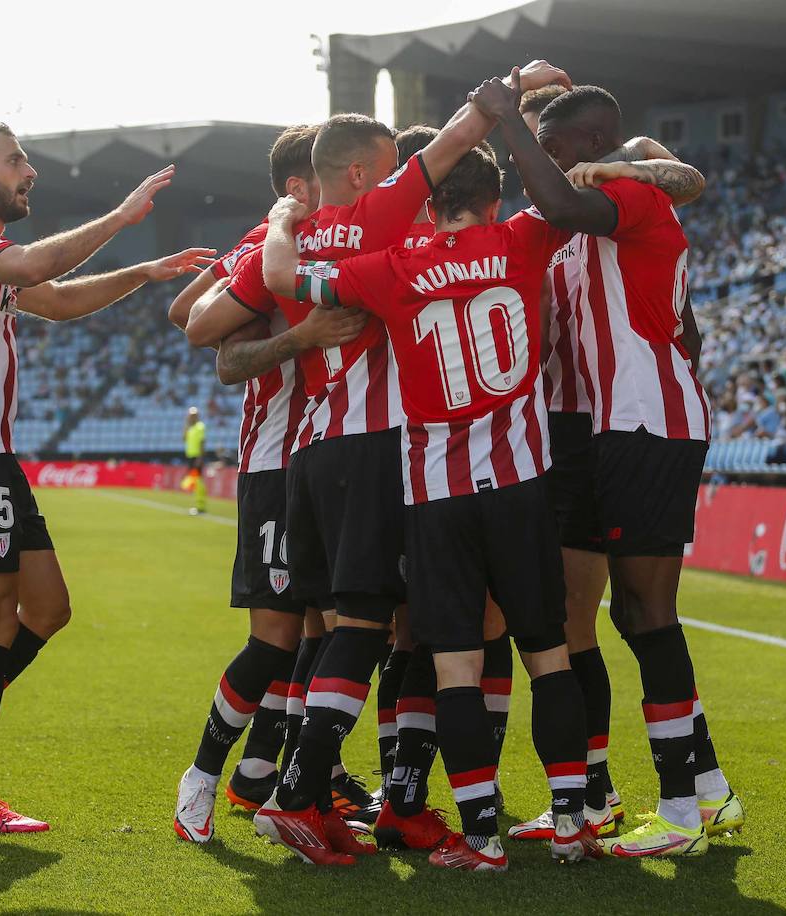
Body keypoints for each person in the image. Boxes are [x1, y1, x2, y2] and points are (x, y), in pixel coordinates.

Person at [191, 61, 574, 867]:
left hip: (310, 450)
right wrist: (515, 87)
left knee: (344, 626)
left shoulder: (294, 241)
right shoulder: (390, 223)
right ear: (365, 172)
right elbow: (469, 141)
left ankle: (343, 793)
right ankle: (315, 792)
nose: (408, 174)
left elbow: (211, 321)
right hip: (392, 452)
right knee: (403, 630)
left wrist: (281, 224)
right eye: (391, 165)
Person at [261, 143, 600, 871]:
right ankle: (572, 821)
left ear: (429, 201)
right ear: (494, 201)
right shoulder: (522, 237)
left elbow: (283, 275)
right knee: (548, 654)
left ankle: (481, 840)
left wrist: (282, 218)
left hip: (437, 494)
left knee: (453, 668)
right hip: (521, 483)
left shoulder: (392, 267)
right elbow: (570, 199)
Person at [0, 122, 212, 832]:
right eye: (15, 160)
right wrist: (125, 216)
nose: (28, 170)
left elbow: (61, 300)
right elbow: (38, 268)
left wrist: (141, 271)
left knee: (47, 610)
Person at [475, 74, 741, 857]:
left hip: (645, 424)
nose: (543, 165)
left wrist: (503, 122)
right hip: (595, 432)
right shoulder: (580, 229)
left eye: (553, 149)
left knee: (643, 613)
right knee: (590, 618)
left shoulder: (631, 199)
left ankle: (683, 812)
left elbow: (579, 200)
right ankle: (678, 794)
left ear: (588, 147)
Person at [170, 125, 377, 845]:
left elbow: (182, 312)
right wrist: (296, 335)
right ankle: (201, 780)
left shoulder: (336, 241)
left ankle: (280, 777)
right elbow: (205, 338)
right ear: (301, 186)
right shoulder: (273, 245)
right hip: (274, 465)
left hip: (331, 462)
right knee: (276, 641)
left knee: (330, 633)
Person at [181, 407, 208, 515]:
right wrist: (186, 425)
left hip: (196, 457)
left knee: (198, 481)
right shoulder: (190, 428)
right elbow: (184, 438)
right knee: (195, 481)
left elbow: (202, 442)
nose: (190, 417)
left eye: (192, 415)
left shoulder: (199, 427)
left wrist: (200, 458)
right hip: (191, 457)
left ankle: (201, 506)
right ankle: (198, 505)